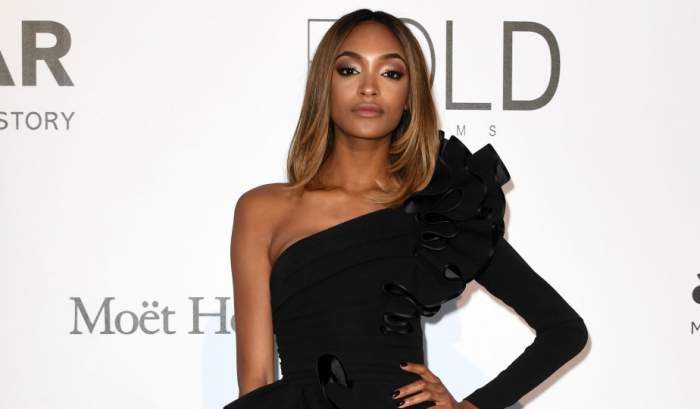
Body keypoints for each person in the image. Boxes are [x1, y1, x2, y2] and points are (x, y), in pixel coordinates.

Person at [225, 8, 588, 409]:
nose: (368, 88)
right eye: (349, 70)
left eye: (391, 73)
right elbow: (257, 380)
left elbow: (564, 330)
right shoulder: (261, 210)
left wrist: (471, 408)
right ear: (323, 85)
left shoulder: (437, 210)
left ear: (409, 94)